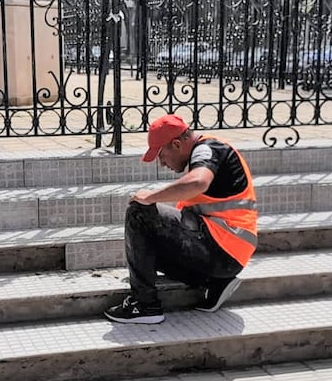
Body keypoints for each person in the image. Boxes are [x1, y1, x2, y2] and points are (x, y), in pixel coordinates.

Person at [104, 114, 258, 324]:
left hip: (222, 248)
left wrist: (150, 197)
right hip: (225, 257)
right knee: (144, 249)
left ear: (176, 144)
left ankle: (144, 305)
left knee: (139, 211)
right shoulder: (204, 153)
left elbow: (198, 182)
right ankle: (213, 283)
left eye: (161, 155)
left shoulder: (208, 149)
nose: (162, 163)